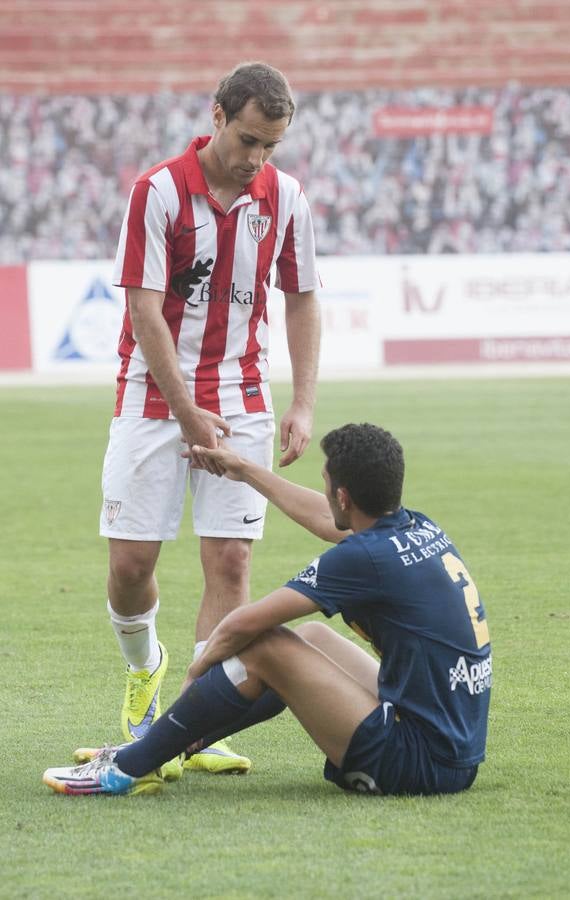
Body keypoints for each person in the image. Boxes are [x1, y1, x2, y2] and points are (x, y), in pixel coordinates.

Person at [44, 423, 492, 797]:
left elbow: (246, 622)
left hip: (416, 763)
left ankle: (126, 767)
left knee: (266, 646)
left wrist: (194, 674)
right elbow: (324, 516)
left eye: (325, 481)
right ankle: (170, 745)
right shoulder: (416, 526)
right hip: (453, 748)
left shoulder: (365, 557)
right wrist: (245, 471)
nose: (324, 490)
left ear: (343, 497)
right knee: (313, 639)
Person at [97, 61, 321, 776]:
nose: (256, 159)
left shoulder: (284, 198)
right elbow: (142, 308)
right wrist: (187, 413)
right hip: (152, 399)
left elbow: (302, 297)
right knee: (131, 566)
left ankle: (197, 723)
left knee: (230, 558)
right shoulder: (158, 191)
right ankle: (146, 668)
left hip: (242, 398)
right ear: (217, 115)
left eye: (271, 147)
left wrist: (302, 402)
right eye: (249, 139)